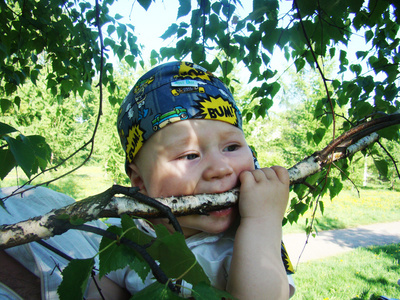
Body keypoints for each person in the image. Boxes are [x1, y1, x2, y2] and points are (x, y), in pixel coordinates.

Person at [87, 61, 295, 299]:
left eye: (232, 147)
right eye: (190, 155)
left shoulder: (250, 237)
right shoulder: (128, 237)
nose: (220, 168)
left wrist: (263, 221)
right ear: (139, 181)